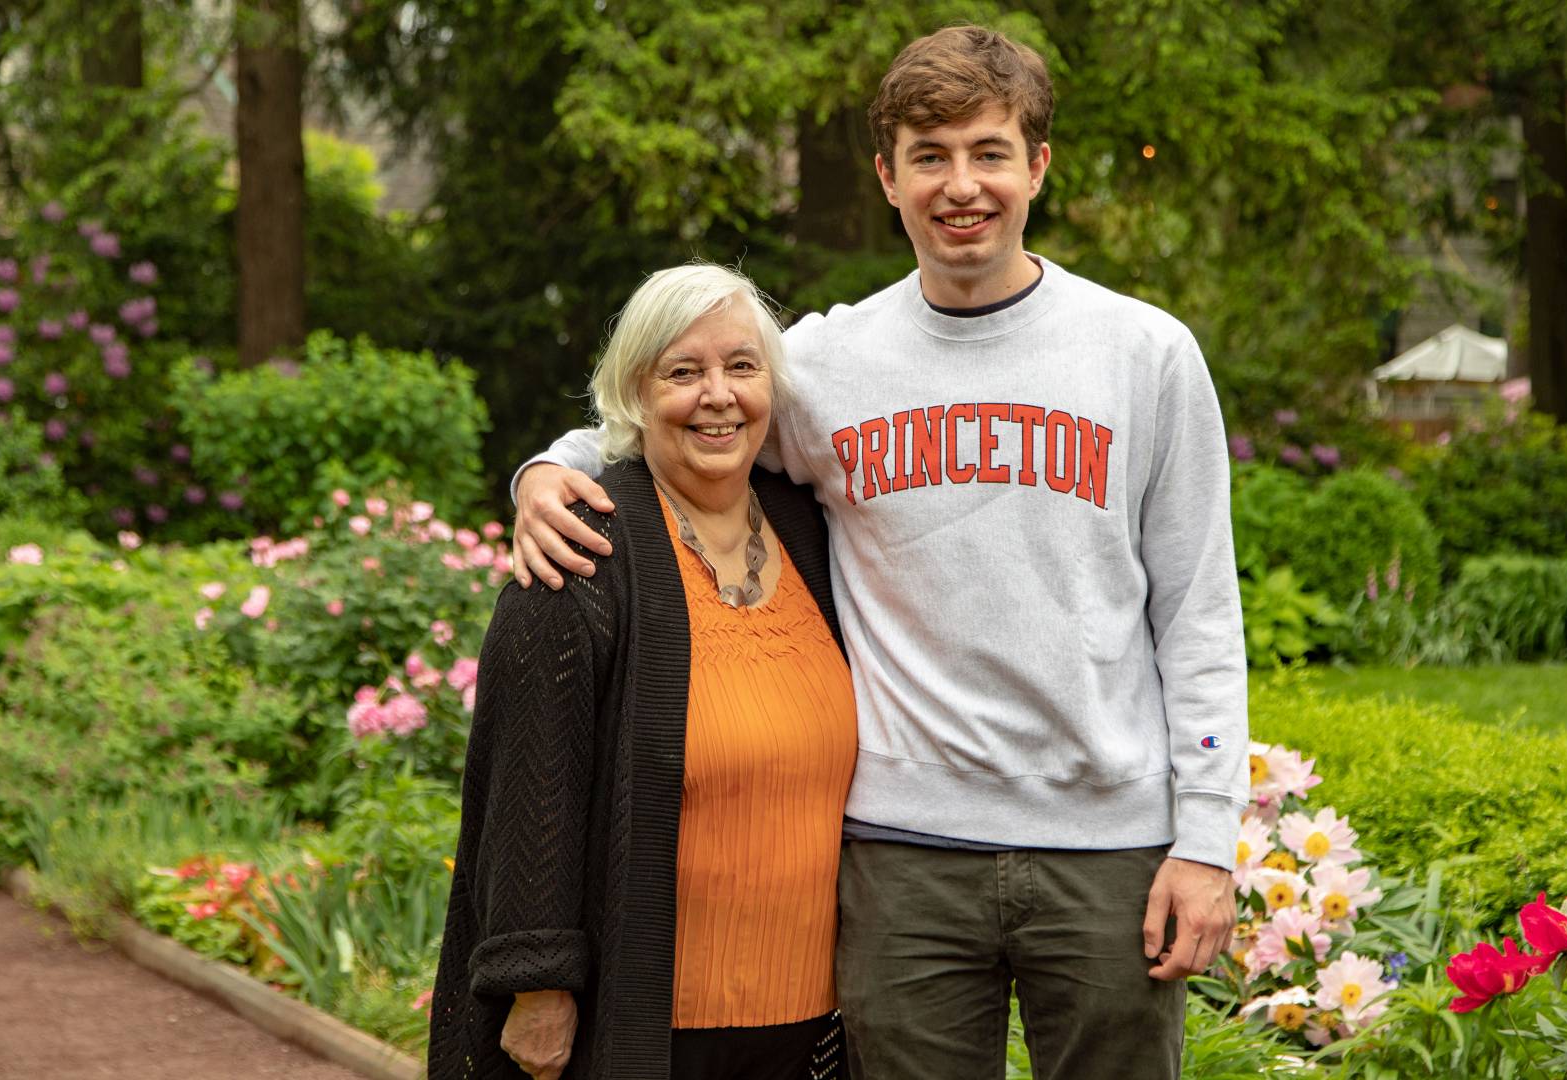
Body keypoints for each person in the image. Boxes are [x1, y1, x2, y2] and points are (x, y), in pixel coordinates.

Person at [510, 25, 1249, 1080]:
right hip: (904, 855)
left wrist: (1208, 839)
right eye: (929, 156)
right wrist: (548, 468)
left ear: (1038, 165)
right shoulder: (826, 363)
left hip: (1107, 850)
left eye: (990, 153)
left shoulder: (1145, 354)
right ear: (888, 178)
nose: (963, 186)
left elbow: (1199, 613)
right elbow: (688, 410)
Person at [430, 263, 857, 1080]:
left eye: (741, 367)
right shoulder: (581, 550)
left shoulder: (813, 531)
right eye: (682, 372)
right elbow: (530, 781)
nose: (718, 396)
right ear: (632, 393)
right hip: (644, 1026)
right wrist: (537, 983)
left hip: (810, 1023)